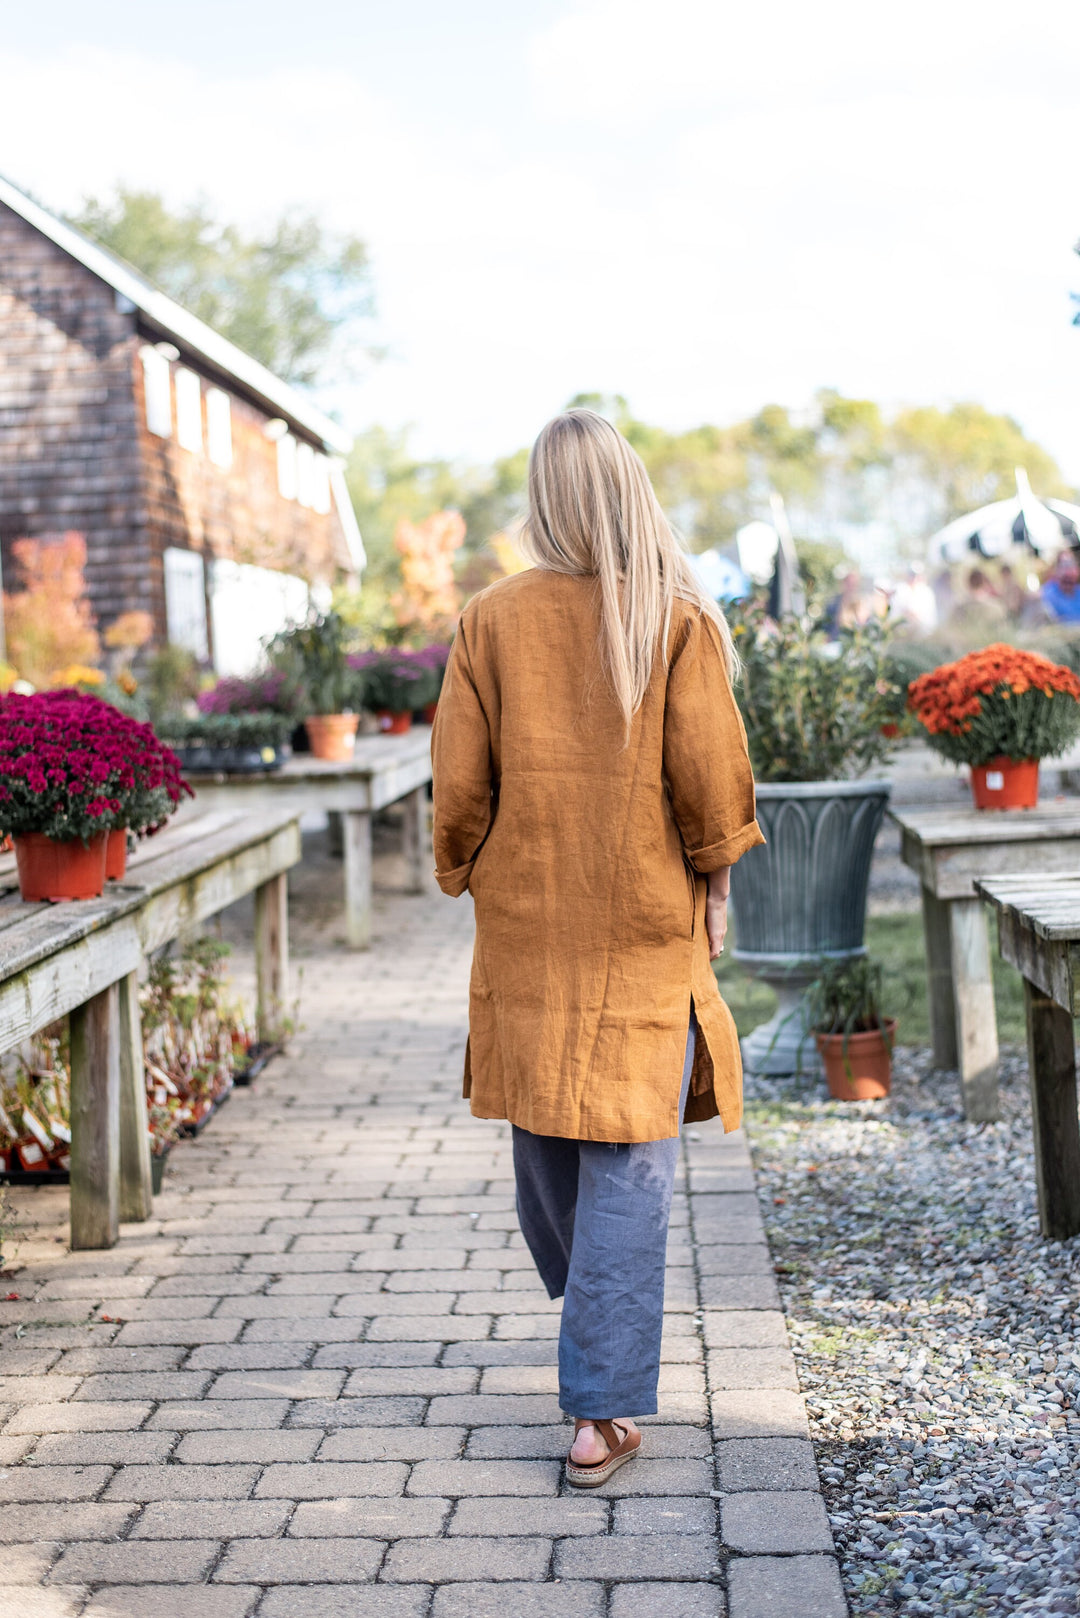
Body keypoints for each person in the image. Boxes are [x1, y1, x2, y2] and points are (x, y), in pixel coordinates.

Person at [431, 409, 763, 1488]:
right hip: (639, 925)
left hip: (531, 925)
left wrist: (471, 866)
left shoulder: (489, 619)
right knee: (626, 1153)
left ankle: (597, 1373)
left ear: (544, 498)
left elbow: (459, 789)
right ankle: (602, 1395)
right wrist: (717, 880)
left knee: (551, 1140)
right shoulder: (672, 622)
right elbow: (712, 785)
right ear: (629, 491)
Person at [1041, 548, 1080, 623]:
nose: (1069, 571)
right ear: (1056, 570)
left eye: (1072, 565)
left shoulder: (1078, 591)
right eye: (1064, 565)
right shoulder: (1047, 594)